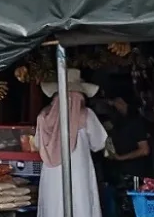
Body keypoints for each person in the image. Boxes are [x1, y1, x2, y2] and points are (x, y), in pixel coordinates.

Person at [36, 69, 107, 217]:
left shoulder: (44, 115)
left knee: (53, 204)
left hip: (52, 171)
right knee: (80, 202)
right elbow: (98, 143)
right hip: (79, 168)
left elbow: (37, 143)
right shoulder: (86, 114)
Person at [104, 96, 151, 182]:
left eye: (117, 102)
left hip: (134, 172)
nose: (115, 105)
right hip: (120, 171)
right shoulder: (119, 120)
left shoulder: (136, 122)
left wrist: (121, 158)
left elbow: (144, 150)